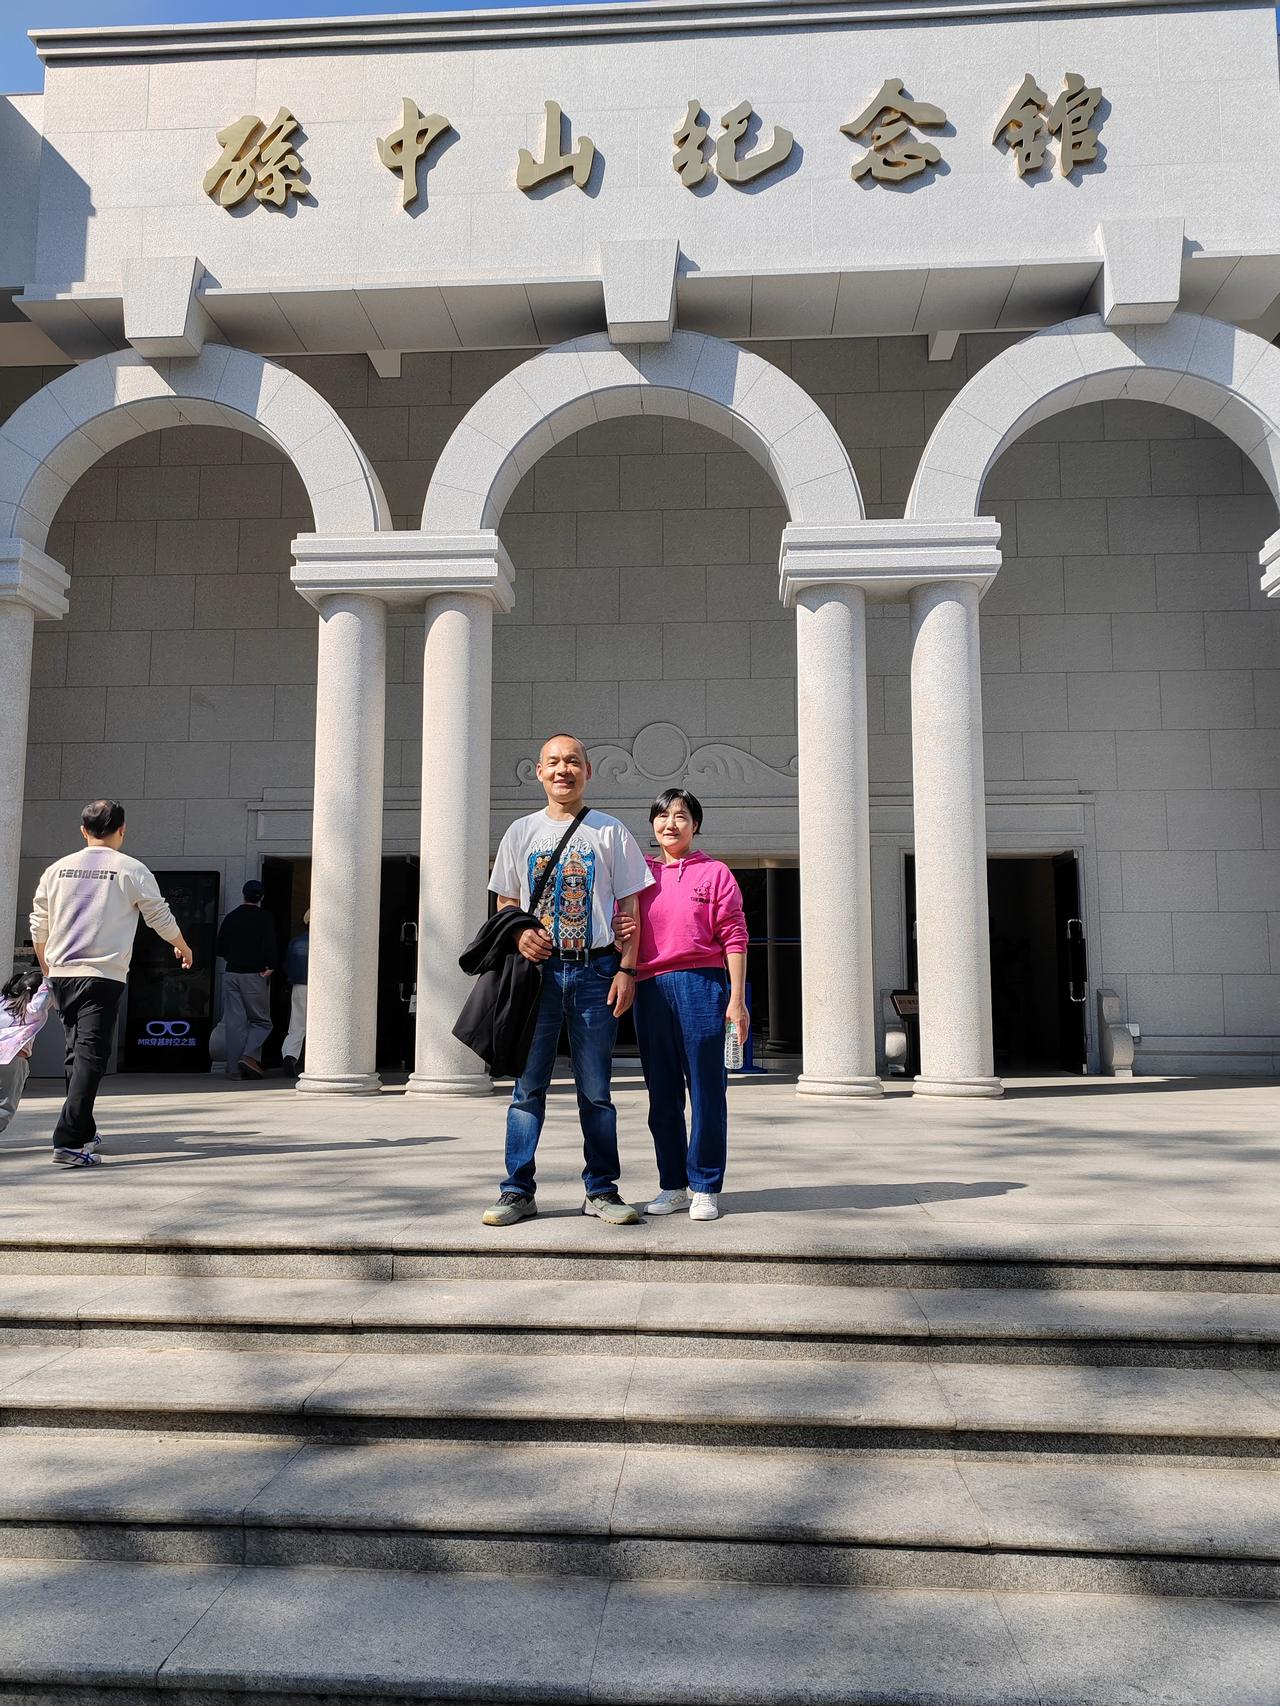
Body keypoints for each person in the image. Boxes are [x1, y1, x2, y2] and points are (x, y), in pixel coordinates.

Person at [482, 732, 653, 1229]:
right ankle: (517, 1190)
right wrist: (520, 935)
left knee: (596, 1090)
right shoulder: (520, 831)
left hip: (596, 971)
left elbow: (630, 908)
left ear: (587, 771)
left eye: (573, 761)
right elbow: (505, 901)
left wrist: (627, 970)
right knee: (527, 1087)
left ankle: (601, 1189)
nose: (563, 770)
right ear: (539, 772)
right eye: (554, 762)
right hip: (537, 975)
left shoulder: (610, 831)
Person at [29, 799, 194, 1167]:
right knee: (90, 1056)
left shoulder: (56, 870)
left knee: (77, 1054)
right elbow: (158, 915)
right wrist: (182, 946)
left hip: (61, 973)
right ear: (122, 830)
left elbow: (39, 923)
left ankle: (83, 1130)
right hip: (101, 976)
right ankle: (69, 1142)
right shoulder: (130, 869)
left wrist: (47, 968)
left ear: (83, 831)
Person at [632, 788, 748, 1222]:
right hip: (650, 986)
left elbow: (734, 935)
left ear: (695, 825)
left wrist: (737, 999)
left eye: (681, 816)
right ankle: (673, 1185)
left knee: (706, 1090)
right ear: (652, 824)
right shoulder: (639, 875)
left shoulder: (715, 873)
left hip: (703, 983)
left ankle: (705, 1186)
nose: (670, 824)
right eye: (662, 816)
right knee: (661, 1094)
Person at [215, 879, 277, 1079]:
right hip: (254, 975)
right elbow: (270, 944)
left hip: (231, 973)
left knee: (235, 1023)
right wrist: (270, 965)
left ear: (243, 894)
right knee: (262, 1021)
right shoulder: (264, 918)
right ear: (262, 897)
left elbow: (220, 948)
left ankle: (234, 1069)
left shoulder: (231, 917)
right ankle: (249, 1056)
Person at [0, 967, 53, 1135]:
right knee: (4, 1106)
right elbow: (46, 993)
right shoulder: (33, 1010)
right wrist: (49, 975)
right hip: (13, 1059)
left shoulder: (2, 1003)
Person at [282, 910, 309, 1077]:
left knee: (297, 1024)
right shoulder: (325, 943)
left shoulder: (296, 942)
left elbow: (287, 965)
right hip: (322, 987)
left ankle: (290, 1055)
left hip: (299, 985)